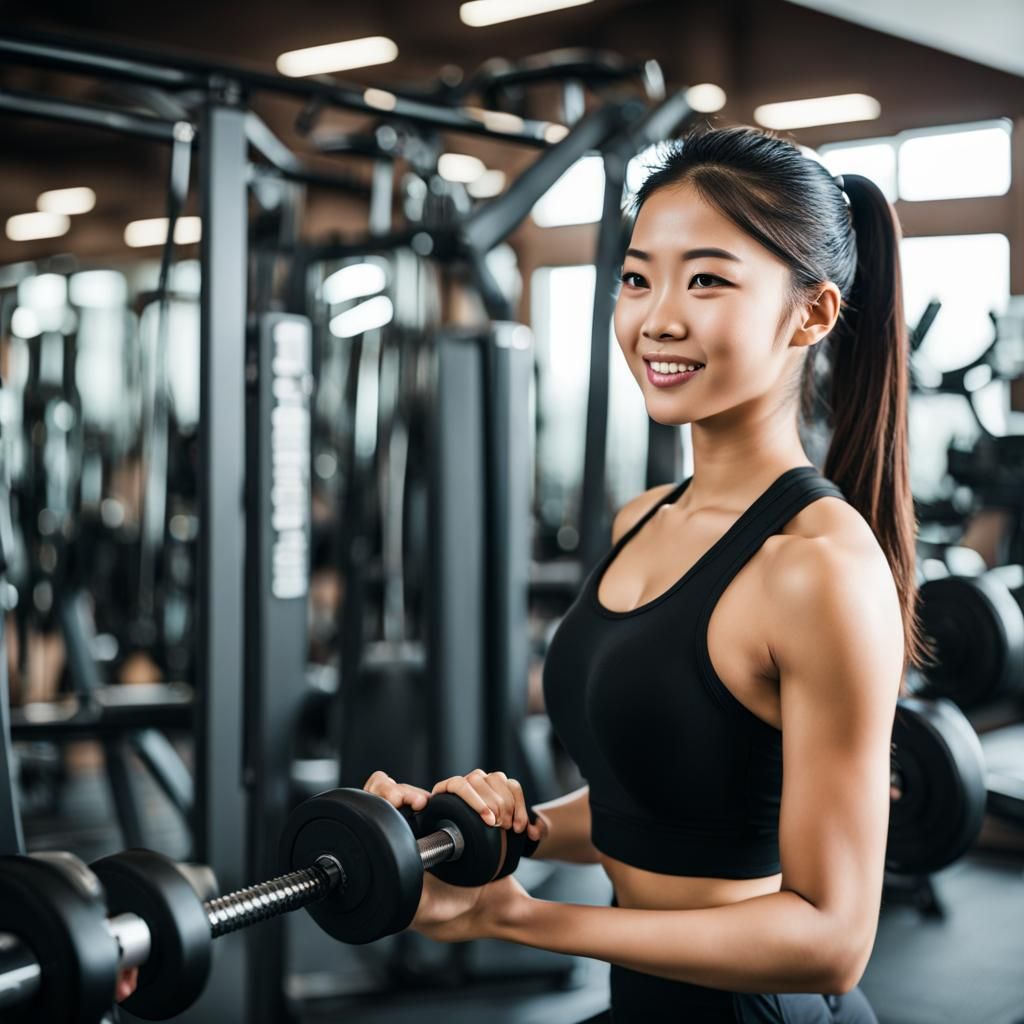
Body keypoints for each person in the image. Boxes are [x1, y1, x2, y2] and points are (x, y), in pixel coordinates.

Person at [366, 121, 932, 1023]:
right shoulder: (646, 519)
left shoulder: (817, 568)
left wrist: (520, 917)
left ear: (812, 314)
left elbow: (831, 940)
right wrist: (517, 832)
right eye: (637, 278)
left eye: (707, 279)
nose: (656, 317)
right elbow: (668, 795)